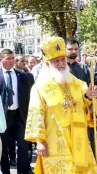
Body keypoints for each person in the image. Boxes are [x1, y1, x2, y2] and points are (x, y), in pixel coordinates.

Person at [25, 37, 97, 173]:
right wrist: (40, 142)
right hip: (54, 142)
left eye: (62, 59)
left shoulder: (76, 82)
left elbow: (85, 104)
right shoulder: (40, 87)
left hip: (78, 137)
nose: (60, 63)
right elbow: (36, 115)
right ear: (47, 64)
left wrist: (89, 96)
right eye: (55, 61)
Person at [0, 49, 32, 174]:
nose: (11, 61)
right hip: (3, 117)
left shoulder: (24, 75)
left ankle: (23, 171)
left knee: (23, 146)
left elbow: (29, 96)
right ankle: (5, 171)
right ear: (1, 59)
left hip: (20, 116)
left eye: (12, 58)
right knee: (3, 148)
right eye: (7, 58)